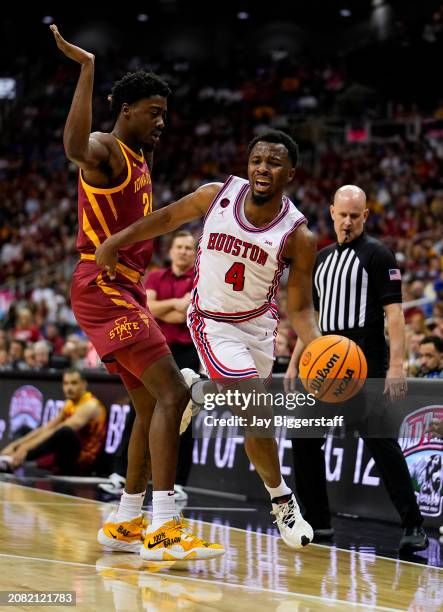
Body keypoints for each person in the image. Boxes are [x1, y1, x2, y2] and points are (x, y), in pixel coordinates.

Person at [95, 129, 322, 550]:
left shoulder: (298, 235)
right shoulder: (217, 195)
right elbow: (164, 219)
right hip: (211, 321)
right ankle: (283, 500)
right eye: (256, 160)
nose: (262, 169)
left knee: (255, 422)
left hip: (258, 328)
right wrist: (116, 240)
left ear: (290, 172)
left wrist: (320, 344)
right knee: (256, 405)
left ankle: (200, 392)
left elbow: (301, 308)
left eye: (273, 163)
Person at [50, 24, 223, 562]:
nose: (162, 123)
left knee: (150, 402)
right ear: (124, 110)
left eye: (164, 114)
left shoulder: (142, 162)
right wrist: (87, 69)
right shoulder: (109, 149)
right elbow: (77, 146)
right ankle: (165, 526)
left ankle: (126, 521)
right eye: (154, 112)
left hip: (118, 288)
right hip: (103, 286)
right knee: (175, 394)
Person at [285, 185, 428, 551]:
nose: (347, 221)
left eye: (355, 215)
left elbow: (395, 316)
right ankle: (318, 523)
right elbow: (310, 317)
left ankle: (414, 524)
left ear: (365, 216)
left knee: (382, 443)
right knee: (303, 438)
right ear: (331, 212)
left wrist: (396, 367)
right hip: (322, 364)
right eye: (342, 214)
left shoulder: (379, 254)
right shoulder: (321, 258)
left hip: (364, 365)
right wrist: (296, 361)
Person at [146, 230, 199, 501]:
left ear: (195, 253)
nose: (184, 252)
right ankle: (127, 474)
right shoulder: (155, 276)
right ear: (171, 251)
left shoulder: (201, 279)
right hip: (159, 351)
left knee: (185, 417)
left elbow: (190, 315)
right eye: (179, 247)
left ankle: (178, 482)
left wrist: (163, 308)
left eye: (189, 248)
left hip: (190, 351)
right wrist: (178, 304)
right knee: (143, 410)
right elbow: (148, 308)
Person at [0, 369, 106, 474]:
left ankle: (17, 459)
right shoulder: (69, 403)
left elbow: (57, 431)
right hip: (64, 453)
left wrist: (25, 449)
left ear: (83, 384)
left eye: (74, 383)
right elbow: (46, 428)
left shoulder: (90, 405)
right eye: (66, 383)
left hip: (84, 460)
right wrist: (15, 446)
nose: (69, 388)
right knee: (24, 429)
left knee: (64, 432)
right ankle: (12, 457)